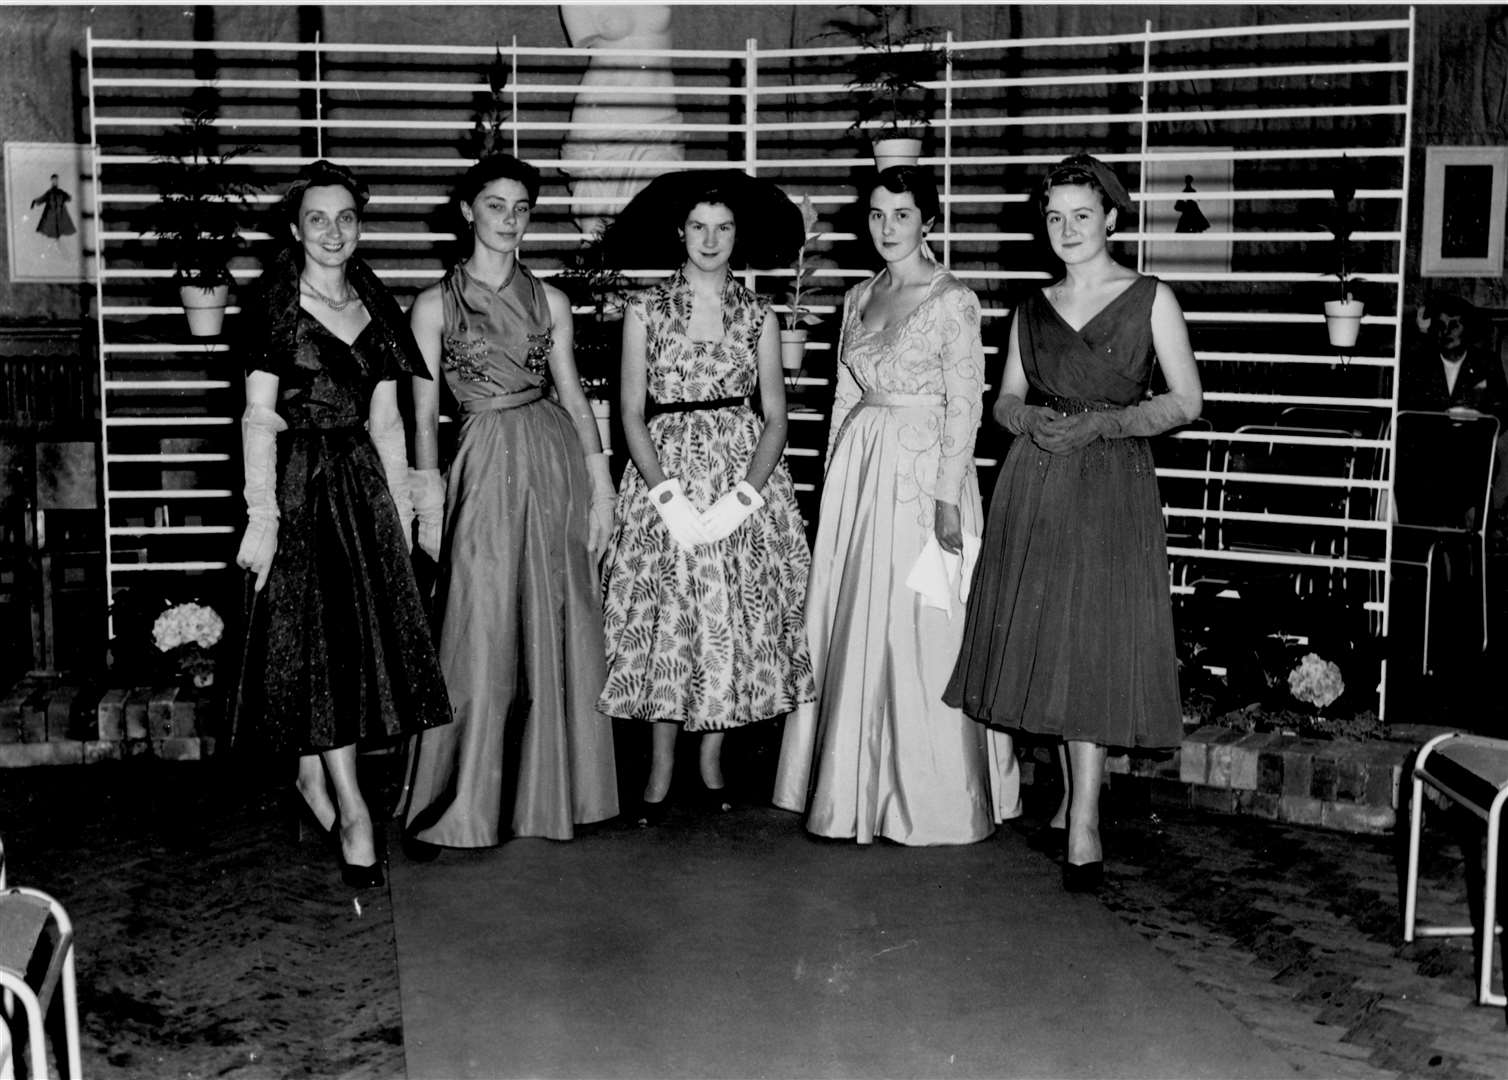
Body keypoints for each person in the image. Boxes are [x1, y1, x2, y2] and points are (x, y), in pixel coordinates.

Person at [943, 153, 1202, 891]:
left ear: (1112, 220)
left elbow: (1187, 400)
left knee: (1089, 636)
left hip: (1111, 477)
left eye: (1081, 215)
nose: (1066, 228)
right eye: (1054, 216)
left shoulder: (1150, 296)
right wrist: (1028, 419)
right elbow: (1003, 400)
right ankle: (1074, 795)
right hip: (1039, 476)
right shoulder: (1031, 307)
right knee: (1054, 631)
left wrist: (1111, 424)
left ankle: (1084, 817)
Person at [773, 165, 1016, 847]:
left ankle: (934, 797)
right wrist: (833, 491)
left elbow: (965, 405)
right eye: (877, 215)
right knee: (854, 623)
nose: (887, 228)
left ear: (927, 221)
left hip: (923, 475)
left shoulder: (953, 299)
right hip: (861, 473)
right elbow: (843, 401)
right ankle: (849, 790)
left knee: (924, 625)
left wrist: (946, 500)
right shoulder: (858, 296)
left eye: (901, 215)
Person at [228, 159, 451, 890]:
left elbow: (387, 420)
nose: (332, 231)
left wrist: (404, 508)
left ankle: (312, 775)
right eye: (317, 218)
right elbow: (260, 417)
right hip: (300, 485)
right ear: (295, 228)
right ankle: (354, 811)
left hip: (359, 489)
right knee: (316, 647)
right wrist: (263, 514)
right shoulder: (273, 305)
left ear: (360, 227)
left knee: (346, 650)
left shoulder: (376, 303)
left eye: (346, 217)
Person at [400, 153, 619, 849]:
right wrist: (428, 502)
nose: (510, 219)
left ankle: (553, 796)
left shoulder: (549, 299)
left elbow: (576, 399)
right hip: (482, 461)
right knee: (477, 624)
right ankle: (463, 802)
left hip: (552, 461)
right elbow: (424, 412)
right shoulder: (432, 305)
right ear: (467, 211)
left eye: (522, 207)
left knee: (556, 620)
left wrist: (604, 483)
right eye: (496, 204)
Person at [598, 173, 814, 824]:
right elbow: (631, 411)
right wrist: (664, 493)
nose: (711, 239)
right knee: (670, 610)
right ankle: (661, 767)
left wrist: (744, 496)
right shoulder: (645, 310)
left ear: (737, 236)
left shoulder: (758, 314)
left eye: (723, 228)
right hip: (663, 473)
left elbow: (774, 414)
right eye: (698, 226)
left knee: (730, 614)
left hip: (740, 476)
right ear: (679, 232)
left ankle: (712, 761)